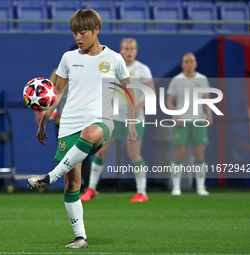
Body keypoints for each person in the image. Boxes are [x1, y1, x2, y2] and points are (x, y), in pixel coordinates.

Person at [27, 9, 137, 249]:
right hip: (68, 123)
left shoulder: (115, 59)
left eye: (83, 32)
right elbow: (57, 93)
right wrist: (45, 119)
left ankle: (49, 177)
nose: (78, 36)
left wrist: (131, 122)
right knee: (72, 184)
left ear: (96, 30)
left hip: (101, 121)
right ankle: (80, 237)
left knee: (90, 134)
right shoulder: (68, 58)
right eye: (74, 32)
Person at [80, 38, 155, 203]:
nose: (129, 51)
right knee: (101, 151)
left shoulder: (143, 69)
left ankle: (142, 192)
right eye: (126, 48)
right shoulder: (112, 68)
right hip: (113, 119)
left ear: (136, 51)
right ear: (121, 50)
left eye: (132, 49)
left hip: (134, 120)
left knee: (133, 154)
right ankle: (91, 189)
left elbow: (151, 94)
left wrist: (136, 107)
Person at [35, 44, 91, 190]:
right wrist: (40, 112)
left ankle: (87, 186)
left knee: (82, 155)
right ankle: (73, 185)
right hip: (63, 121)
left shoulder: (90, 72)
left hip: (83, 120)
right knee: (66, 154)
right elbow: (48, 91)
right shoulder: (59, 71)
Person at [166, 53, 212, 196]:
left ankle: (200, 187)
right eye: (186, 61)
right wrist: (176, 115)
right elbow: (169, 101)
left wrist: (209, 113)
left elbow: (206, 100)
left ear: (195, 63)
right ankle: (176, 187)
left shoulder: (202, 79)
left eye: (192, 61)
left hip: (198, 121)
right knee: (179, 153)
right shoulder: (176, 80)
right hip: (181, 122)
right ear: (182, 64)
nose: (189, 63)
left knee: (199, 153)